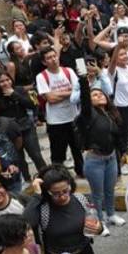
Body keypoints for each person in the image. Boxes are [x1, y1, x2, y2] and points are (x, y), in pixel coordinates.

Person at [77, 74, 126, 227]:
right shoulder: (88, 114)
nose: (99, 95)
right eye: (94, 94)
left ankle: (111, 214)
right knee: (98, 194)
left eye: (101, 93)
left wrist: (123, 154)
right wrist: (84, 80)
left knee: (110, 190)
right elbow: (85, 99)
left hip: (111, 158)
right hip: (95, 160)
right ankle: (100, 220)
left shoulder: (112, 113)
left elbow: (118, 137)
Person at [35, 46, 83, 176]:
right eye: (49, 58)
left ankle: (81, 171)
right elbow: (50, 98)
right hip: (55, 121)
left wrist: (58, 94)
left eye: (54, 56)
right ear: (44, 62)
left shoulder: (68, 71)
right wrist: (69, 92)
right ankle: (58, 175)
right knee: (58, 152)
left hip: (73, 117)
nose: (53, 59)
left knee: (77, 148)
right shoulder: (41, 76)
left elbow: (78, 91)